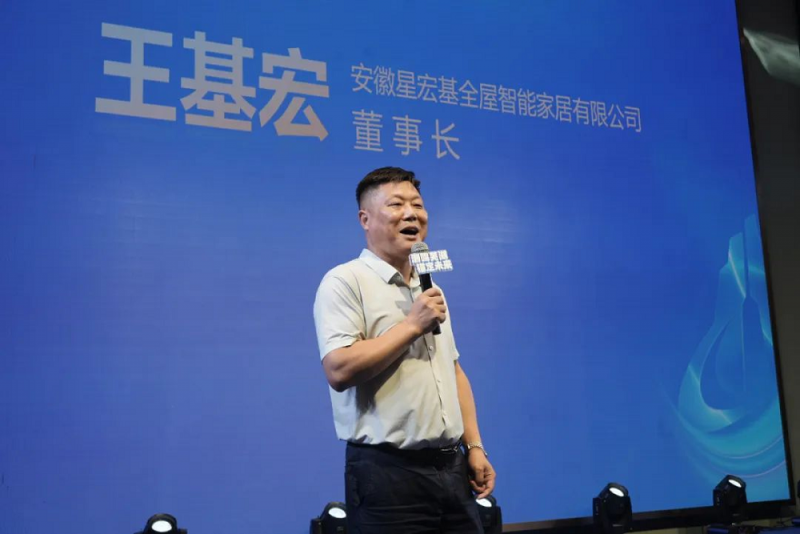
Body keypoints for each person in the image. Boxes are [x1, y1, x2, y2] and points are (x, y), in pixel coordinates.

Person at [313, 166, 496, 534]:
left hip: (452, 470)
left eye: (418, 205)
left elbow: (452, 370)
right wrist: (412, 326)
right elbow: (339, 369)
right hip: (388, 475)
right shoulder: (345, 281)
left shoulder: (428, 288)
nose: (411, 214)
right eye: (396, 204)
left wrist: (474, 446)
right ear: (365, 219)